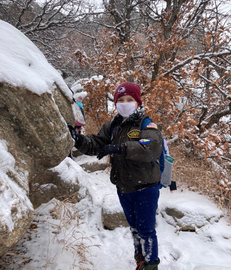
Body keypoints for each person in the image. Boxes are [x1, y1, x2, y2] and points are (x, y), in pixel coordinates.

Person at [68, 82, 163, 270]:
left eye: (130, 100)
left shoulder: (146, 123)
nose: (125, 103)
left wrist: (120, 148)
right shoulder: (113, 125)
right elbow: (95, 143)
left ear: (137, 102)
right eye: (121, 100)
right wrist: (78, 140)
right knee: (134, 228)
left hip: (146, 188)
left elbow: (150, 147)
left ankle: (151, 265)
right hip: (124, 187)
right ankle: (140, 259)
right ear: (116, 103)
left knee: (146, 230)